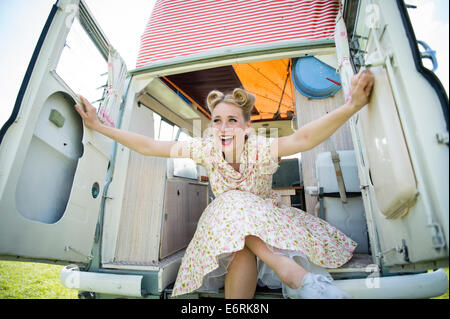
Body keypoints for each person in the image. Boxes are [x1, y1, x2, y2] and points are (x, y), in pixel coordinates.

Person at [74, 68, 375, 299]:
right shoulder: (205, 148)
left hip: (270, 225)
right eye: (217, 120)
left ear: (246, 127)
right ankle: (296, 277)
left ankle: (292, 272)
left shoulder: (260, 147)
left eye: (232, 120)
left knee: (236, 217)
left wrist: (352, 106)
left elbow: (303, 138)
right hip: (225, 232)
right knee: (234, 223)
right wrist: (100, 127)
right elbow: (151, 146)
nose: (223, 127)